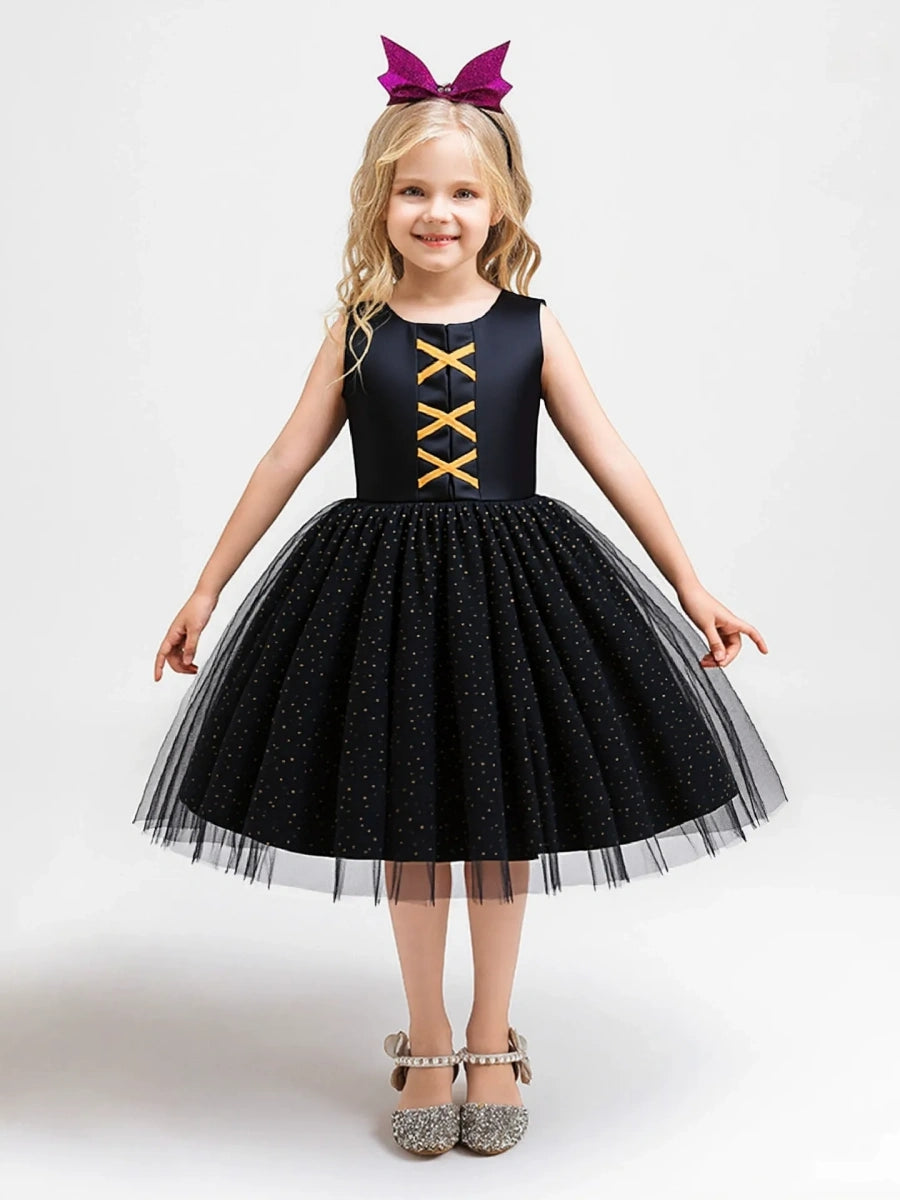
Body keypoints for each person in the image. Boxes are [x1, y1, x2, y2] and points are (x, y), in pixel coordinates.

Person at [133, 35, 789, 1157]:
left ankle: (491, 1033)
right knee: (408, 823)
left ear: (501, 204)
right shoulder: (357, 332)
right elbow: (285, 457)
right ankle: (427, 1034)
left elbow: (611, 456)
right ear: (379, 202)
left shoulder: (532, 327)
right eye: (414, 192)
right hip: (381, 600)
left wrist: (691, 585)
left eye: (462, 193)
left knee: (496, 824)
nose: (438, 213)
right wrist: (206, 586)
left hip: (507, 598)